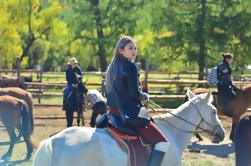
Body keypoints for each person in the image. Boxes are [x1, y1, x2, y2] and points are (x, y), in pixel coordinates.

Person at [105, 36, 169, 166]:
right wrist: (144, 96)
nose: (134, 51)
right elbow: (134, 94)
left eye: (135, 48)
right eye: (130, 48)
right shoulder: (130, 67)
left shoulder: (111, 68)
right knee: (163, 142)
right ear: (120, 50)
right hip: (129, 113)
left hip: (113, 113)